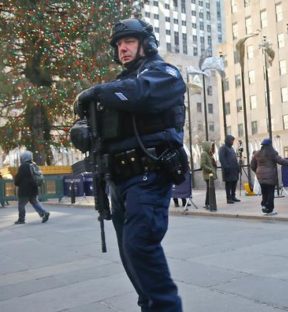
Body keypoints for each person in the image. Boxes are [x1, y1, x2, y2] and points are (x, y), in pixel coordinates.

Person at [74, 18, 184, 310]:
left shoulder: (164, 72)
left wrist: (97, 92)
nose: (123, 48)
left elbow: (144, 93)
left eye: (129, 42)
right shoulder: (121, 84)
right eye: (119, 44)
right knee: (129, 253)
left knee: (140, 247)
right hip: (119, 180)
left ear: (145, 44)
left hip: (148, 175)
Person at [250, 138, 288, 215]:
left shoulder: (257, 154)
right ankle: (269, 209)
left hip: (260, 177)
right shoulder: (272, 154)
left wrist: (257, 172)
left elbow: (252, 166)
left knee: (264, 192)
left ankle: (264, 205)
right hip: (270, 177)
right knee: (270, 192)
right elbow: (283, 162)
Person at [13, 151, 50, 224]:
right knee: (34, 202)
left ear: (24, 158)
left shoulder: (23, 166)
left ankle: (21, 219)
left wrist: (16, 182)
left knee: (21, 204)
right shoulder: (34, 165)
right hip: (34, 188)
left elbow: (18, 178)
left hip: (24, 190)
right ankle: (44, 212)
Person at [218, 135, 241, 203]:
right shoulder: (223, 148)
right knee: (228, 184)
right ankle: (229, 198)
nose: (232, 142)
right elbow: (222, 159)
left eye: (233, 140)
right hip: (228, 170)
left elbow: (235, 159)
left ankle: (233, 196)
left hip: (234, 170)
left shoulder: (232, 148)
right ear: (227, 140)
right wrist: (226, 167)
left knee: (234, 183)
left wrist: (237, 167)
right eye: (231, 140)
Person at [200, 141, 217, 210]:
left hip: (210, 174)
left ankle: (208, 203)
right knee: (209, 189)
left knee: (209, 189)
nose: (211, 148)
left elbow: (211, 164)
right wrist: (211, 169)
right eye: (210, 146)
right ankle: (207, 203)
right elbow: (202, 165)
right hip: (207, 174)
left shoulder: (209, 154)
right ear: (207, 146)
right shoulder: (204, 154)